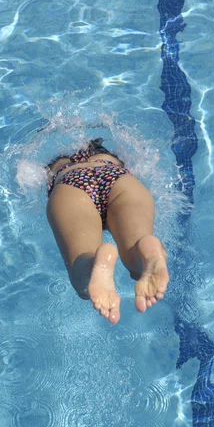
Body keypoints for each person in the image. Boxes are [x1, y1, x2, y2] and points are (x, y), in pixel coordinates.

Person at [46, 138, 169, 324]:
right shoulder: (110, 159)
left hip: (70, 182)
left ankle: (94, 263)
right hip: (118, 178)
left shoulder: (58, 166)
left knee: (82, 276)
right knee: (136, 260)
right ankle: (145, 247)